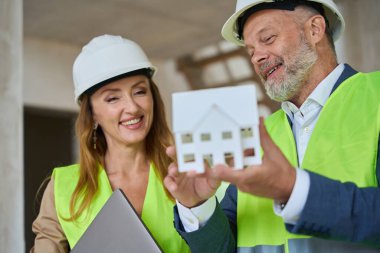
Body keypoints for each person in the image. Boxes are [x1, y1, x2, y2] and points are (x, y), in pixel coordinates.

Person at [163, 0, 380, 252]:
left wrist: (293, 188)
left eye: (267, 38)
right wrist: (197, 205)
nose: (257, 57)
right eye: (250, 50)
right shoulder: (259, 134)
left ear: (315, 29)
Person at [30, 34, 190, 253]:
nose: (133, 107)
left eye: (140, 91)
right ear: (92, 114)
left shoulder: (186, 173)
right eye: (113, 98)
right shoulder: (63, 187)